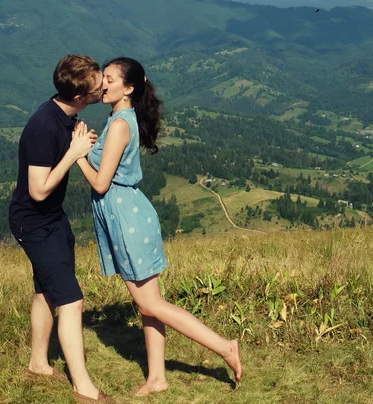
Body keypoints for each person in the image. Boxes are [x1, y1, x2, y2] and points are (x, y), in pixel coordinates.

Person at [75, 57, 243, 396]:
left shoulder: (121, 123)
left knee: (151, 304)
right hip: (130, 216)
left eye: (108, 78)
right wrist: (91, 147)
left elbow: (101, 184)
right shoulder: (118, 118)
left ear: (129, 88)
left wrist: (77, 155)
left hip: (127, 220)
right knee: (148, 303)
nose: (102, 83)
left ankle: (225, 347)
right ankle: (157, 379)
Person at [8, 54, 117, 403]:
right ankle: (83, 389)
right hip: (35, 223)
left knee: (47, 291)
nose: (103, 85)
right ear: (79, 96)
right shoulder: (43, 127)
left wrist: (76, 139)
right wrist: (74, 152)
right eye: (97, 84)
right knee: (72, 301)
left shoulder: (63, 115)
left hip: (52, 220)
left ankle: (38, 364)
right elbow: (38, 189)